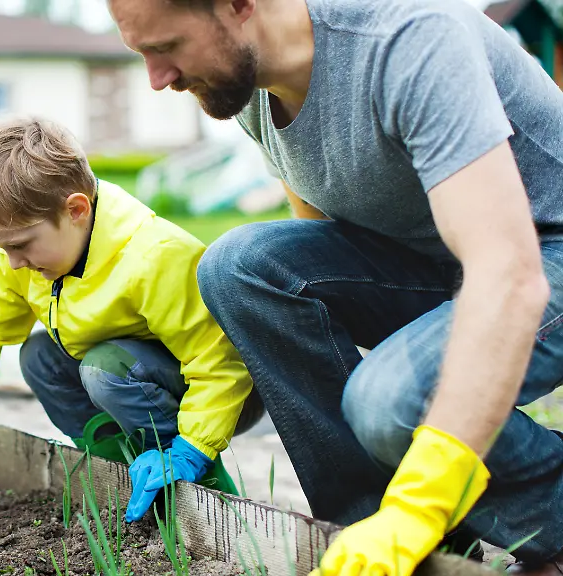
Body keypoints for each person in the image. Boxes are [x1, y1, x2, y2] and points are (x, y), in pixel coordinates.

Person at [108, 0, 563, 574]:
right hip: (443, 261)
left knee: (393, 400)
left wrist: (421, 500)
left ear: (238, 5)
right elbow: (322, 255)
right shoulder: (249, 83)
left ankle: (538, 529)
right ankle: (389, 545)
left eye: (167, 47)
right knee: (238, 267)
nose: (157, 79)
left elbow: (510, 275)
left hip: (541, 251)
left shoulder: (407, 37)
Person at [0, 116, 264, 522]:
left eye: (19, 245)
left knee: (104, 368)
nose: (13, 262)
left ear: (75, 210)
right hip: (133, 377)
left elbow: (219, 364)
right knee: (38, 357)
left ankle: (199, 487)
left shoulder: (153, 256)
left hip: (223, 392)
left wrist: (193, 449)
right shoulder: (20, 264)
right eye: (3, 249)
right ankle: (117, 474)